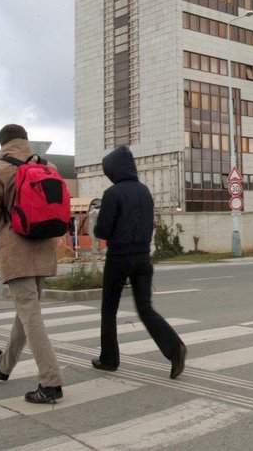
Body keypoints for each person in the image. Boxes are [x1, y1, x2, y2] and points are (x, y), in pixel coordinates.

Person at [0, 124, 64, 404]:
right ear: (25, 140)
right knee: (26, 311)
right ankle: (4, 366)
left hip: (17, 252)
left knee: (30, 314)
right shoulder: (47, 165)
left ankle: (51, 382)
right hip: (45, 248)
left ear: (2, 142)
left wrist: (3, 230)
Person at [91, 145, 187, 378]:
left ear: (114, 170)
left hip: (118, 258)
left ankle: (109, 359)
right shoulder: (144, 191)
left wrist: (97, 219)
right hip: (144, 257)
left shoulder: (112, 194)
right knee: (145, 309)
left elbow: (102, 231)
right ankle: (175, 349)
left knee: (109, 310)